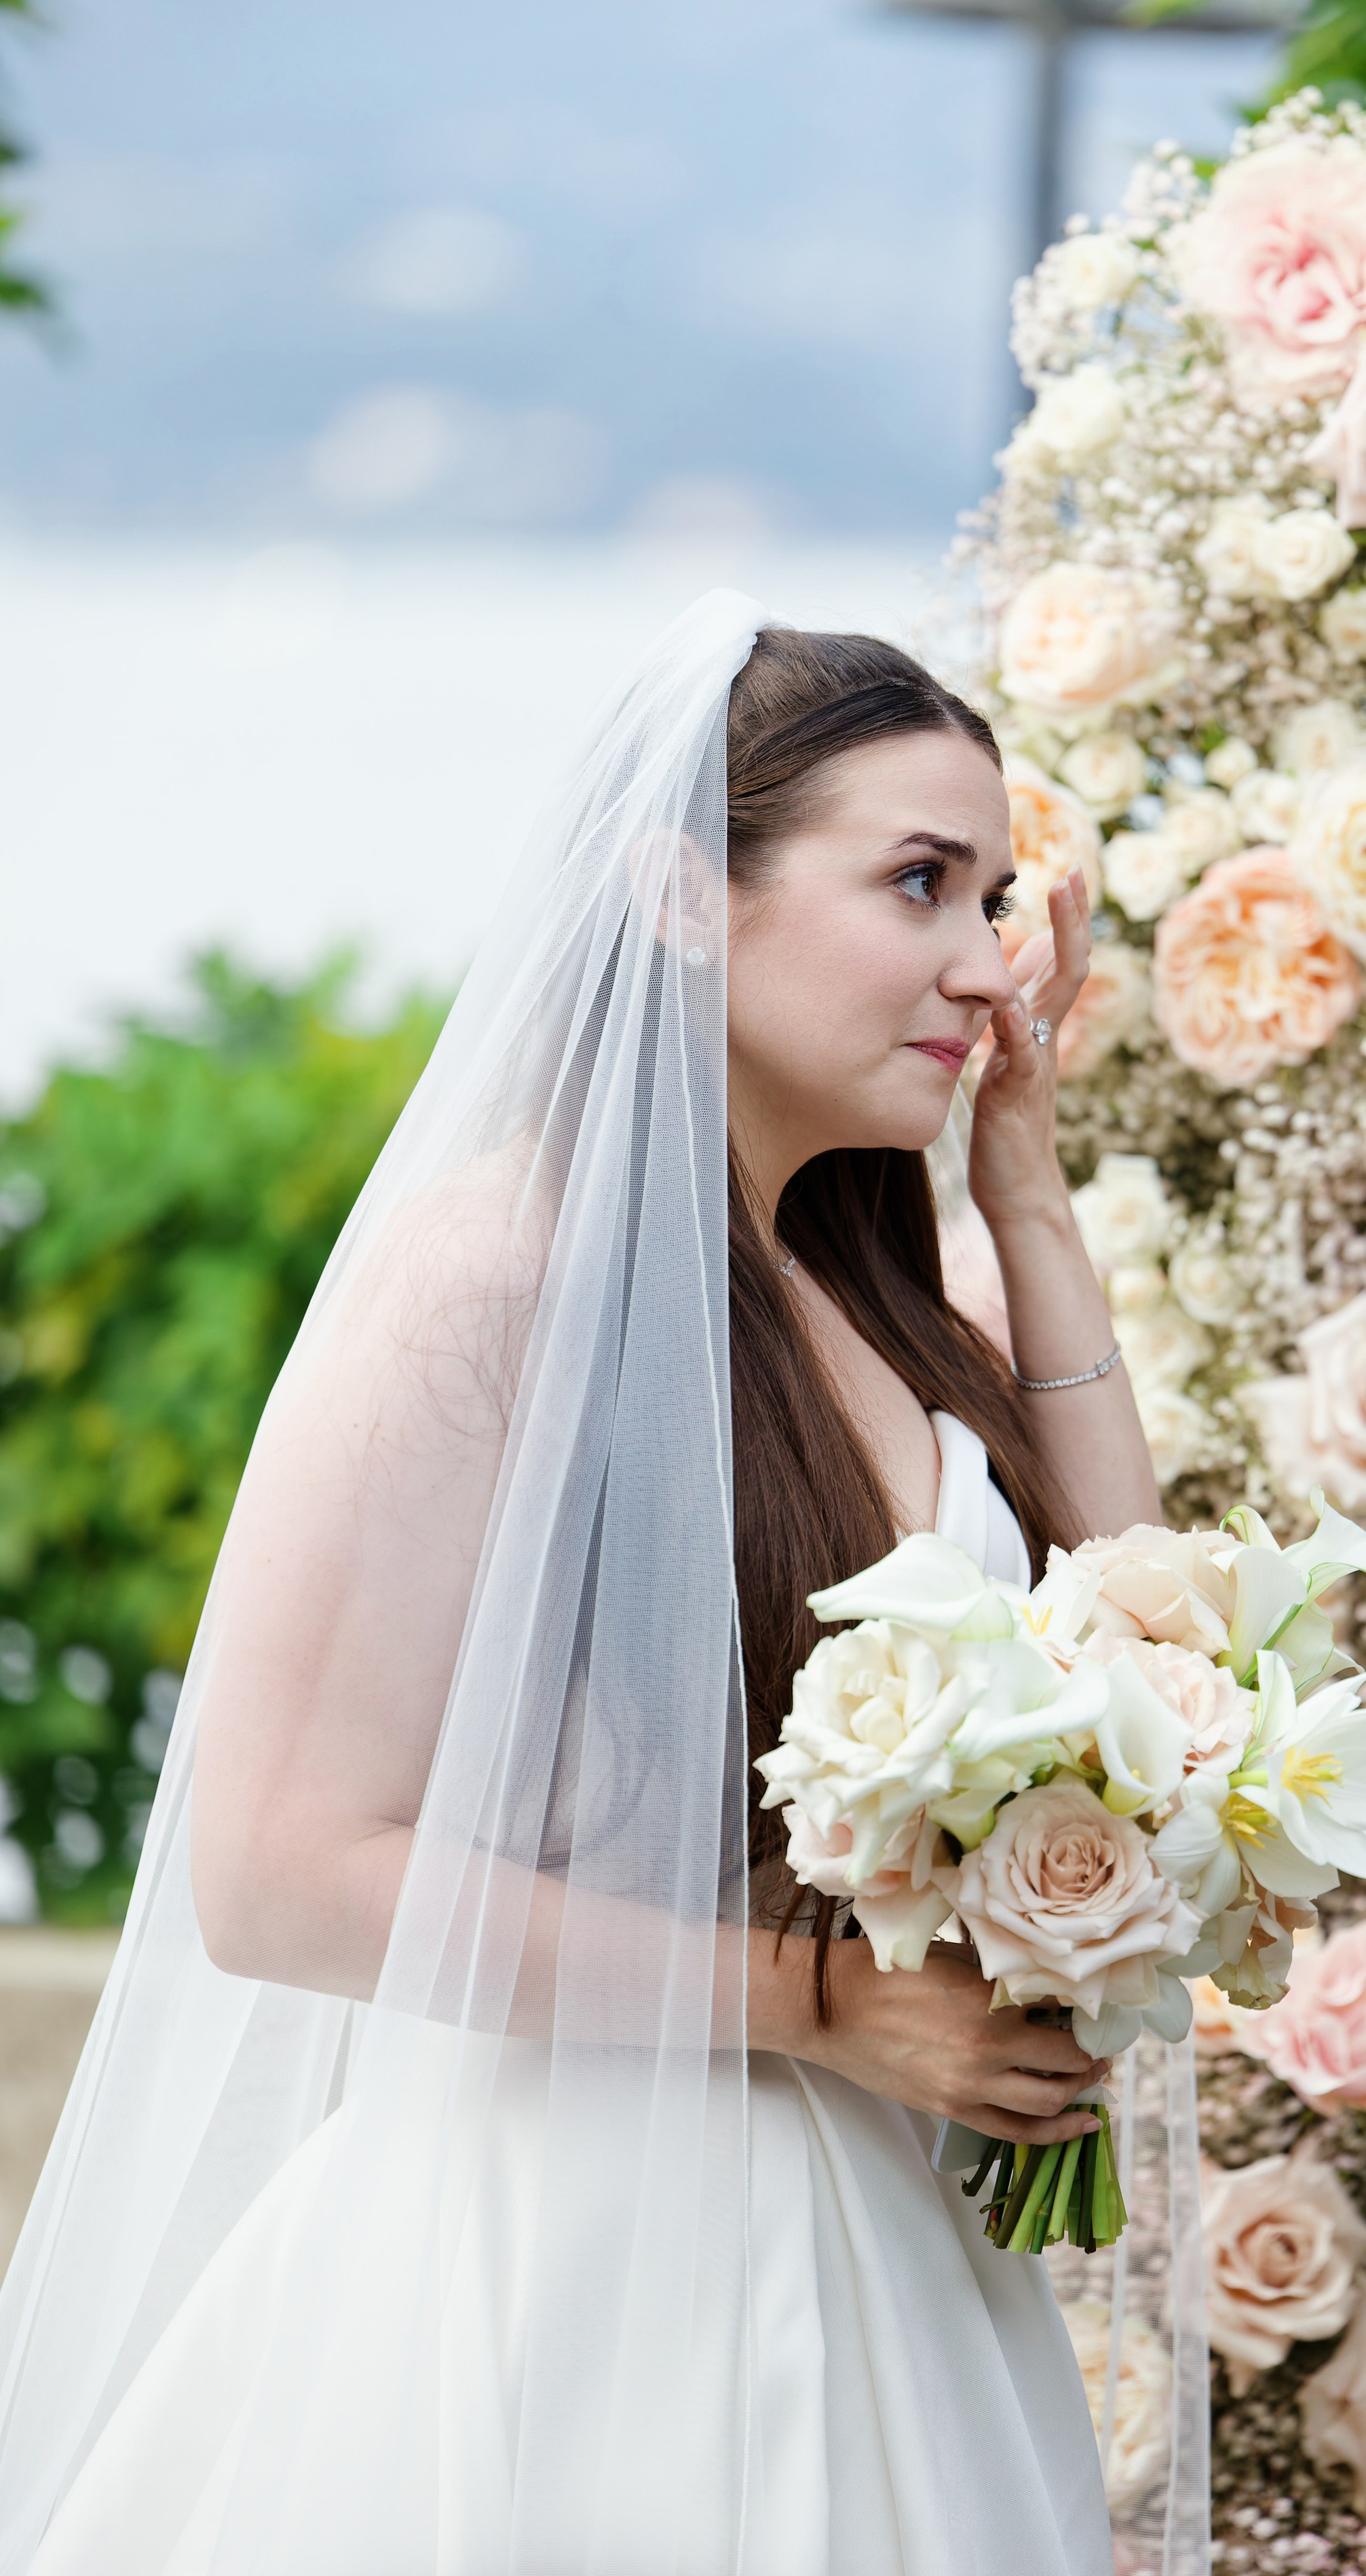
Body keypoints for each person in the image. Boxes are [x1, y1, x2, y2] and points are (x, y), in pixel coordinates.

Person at [0, 594, 1196, 2574]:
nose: (990, 966)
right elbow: (278, 1870)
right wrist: (817, 1998)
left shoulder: (890, 1304)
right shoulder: (499, 1275)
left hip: (889, 2257)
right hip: (570, 2265)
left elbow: (1144, 1652)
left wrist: (1030, 1197)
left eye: (995, 902)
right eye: (920, 884)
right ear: (682, 893)